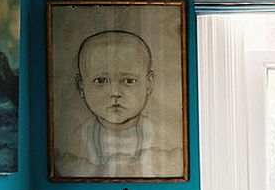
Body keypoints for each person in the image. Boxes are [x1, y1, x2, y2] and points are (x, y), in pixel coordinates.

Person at [55, 29, 183, 178]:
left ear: (149, 84)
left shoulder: (164, 139)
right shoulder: (74, 141)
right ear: (81, 86)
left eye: (129, 81)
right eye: (101, 81)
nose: (115, 92)